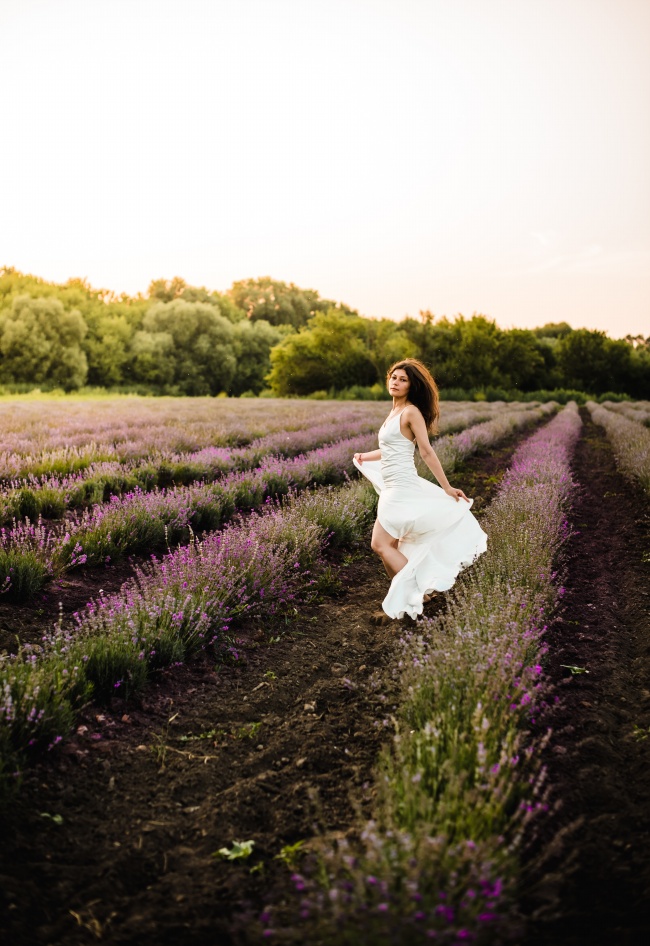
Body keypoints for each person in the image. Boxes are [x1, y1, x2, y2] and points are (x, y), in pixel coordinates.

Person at [353, 358, 487, 621]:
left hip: (402, 489)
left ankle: (416, 593)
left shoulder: (411, 412)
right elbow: (392, 449)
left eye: (403, 380)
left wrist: (446, 487)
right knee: (392, 545)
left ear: (411, 386)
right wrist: (364, 456)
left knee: (380, 544)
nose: (396, 382)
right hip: (393, 487)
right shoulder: (393, 412)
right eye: (394, 377)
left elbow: (424, 450)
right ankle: (418, 597)